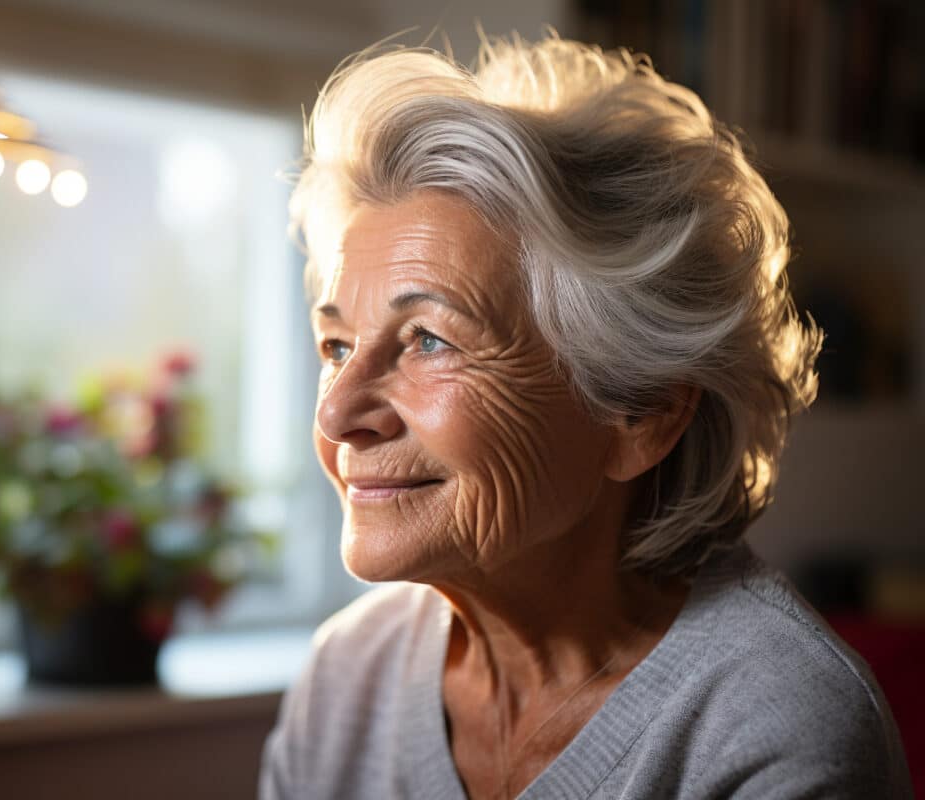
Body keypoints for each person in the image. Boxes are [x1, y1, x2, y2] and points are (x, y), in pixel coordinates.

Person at [258, 33, 912, 800]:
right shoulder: (348, 679)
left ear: (643, 413)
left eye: (429, 339)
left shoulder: (773, 728)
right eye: (337, 346)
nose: (338, 413)